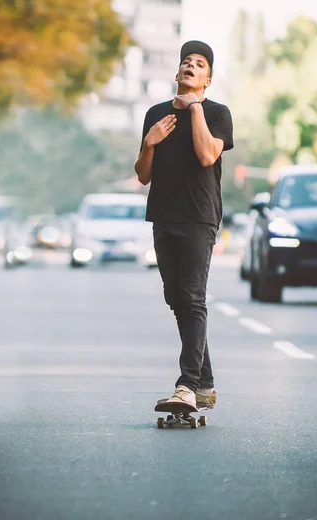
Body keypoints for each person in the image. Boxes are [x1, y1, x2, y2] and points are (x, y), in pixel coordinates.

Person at [134, 40, 234, 410]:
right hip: (163, 215)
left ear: (207, 79)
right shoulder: (156, 114)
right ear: (177, 73)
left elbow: (208, 156)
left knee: (192, 297)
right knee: (176, 298)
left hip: (199, 216)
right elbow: (143, 175)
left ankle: (187, 385)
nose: (191, 66)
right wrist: (149, 142)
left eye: (200, 64)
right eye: (186, 62)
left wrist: (195, 111)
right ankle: (205, 383)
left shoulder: (218, 113)